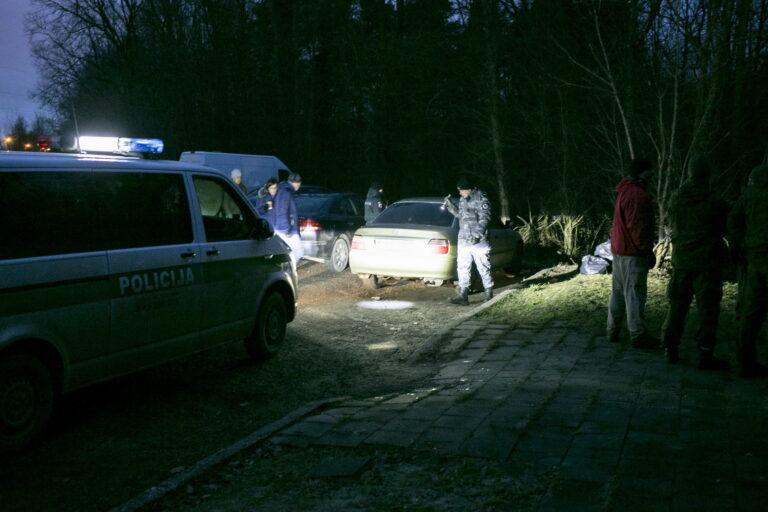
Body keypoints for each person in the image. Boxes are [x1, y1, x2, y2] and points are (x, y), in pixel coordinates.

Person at [660, 156, 728, 369]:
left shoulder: (676, 198)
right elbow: (724, 226)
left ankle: (670, 348)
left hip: (682, 262)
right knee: (708, 310)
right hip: (707, 264)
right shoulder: (713, 201)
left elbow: (670, 223)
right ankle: (705, 353)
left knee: (677, 306)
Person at [606, 157, 659, 348]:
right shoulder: (637, 195)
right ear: (643, 173)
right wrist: (646, 251)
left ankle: (612, 330)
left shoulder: (623, 191)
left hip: (619, 252)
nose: (652, 177)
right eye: (650, 173)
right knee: (635, 294)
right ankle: (637, 334)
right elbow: (638, 228)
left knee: (618, 294)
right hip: (633, 254)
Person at [728, 164, 768, 378]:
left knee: (750, 313)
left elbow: (733, 220)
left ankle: (745, 362)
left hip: (754, 260)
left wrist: (740, 244)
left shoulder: (748, 196)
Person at [443, 176, 494, 305]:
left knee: (483, 266)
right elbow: (461, 216)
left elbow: (485, 217)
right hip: (464, 239)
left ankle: (489, 293)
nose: (460, 193)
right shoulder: (463, 199)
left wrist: (477, 234)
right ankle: (463, 295)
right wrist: (450, 206)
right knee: (463, 266)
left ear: (468, 189)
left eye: (461, 190)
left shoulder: (481, 197)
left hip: (478, 240)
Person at [274, 171, 304, 266]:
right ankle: (288, 269)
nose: (299, 186)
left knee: (289, 252)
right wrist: (285, 229)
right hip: (286, 229)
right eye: (299, 183)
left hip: (285, 227)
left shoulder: (284, 190)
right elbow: (282, 211)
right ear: (297, 183)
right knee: (299, 252)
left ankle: (287, 268)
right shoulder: (285, 192)